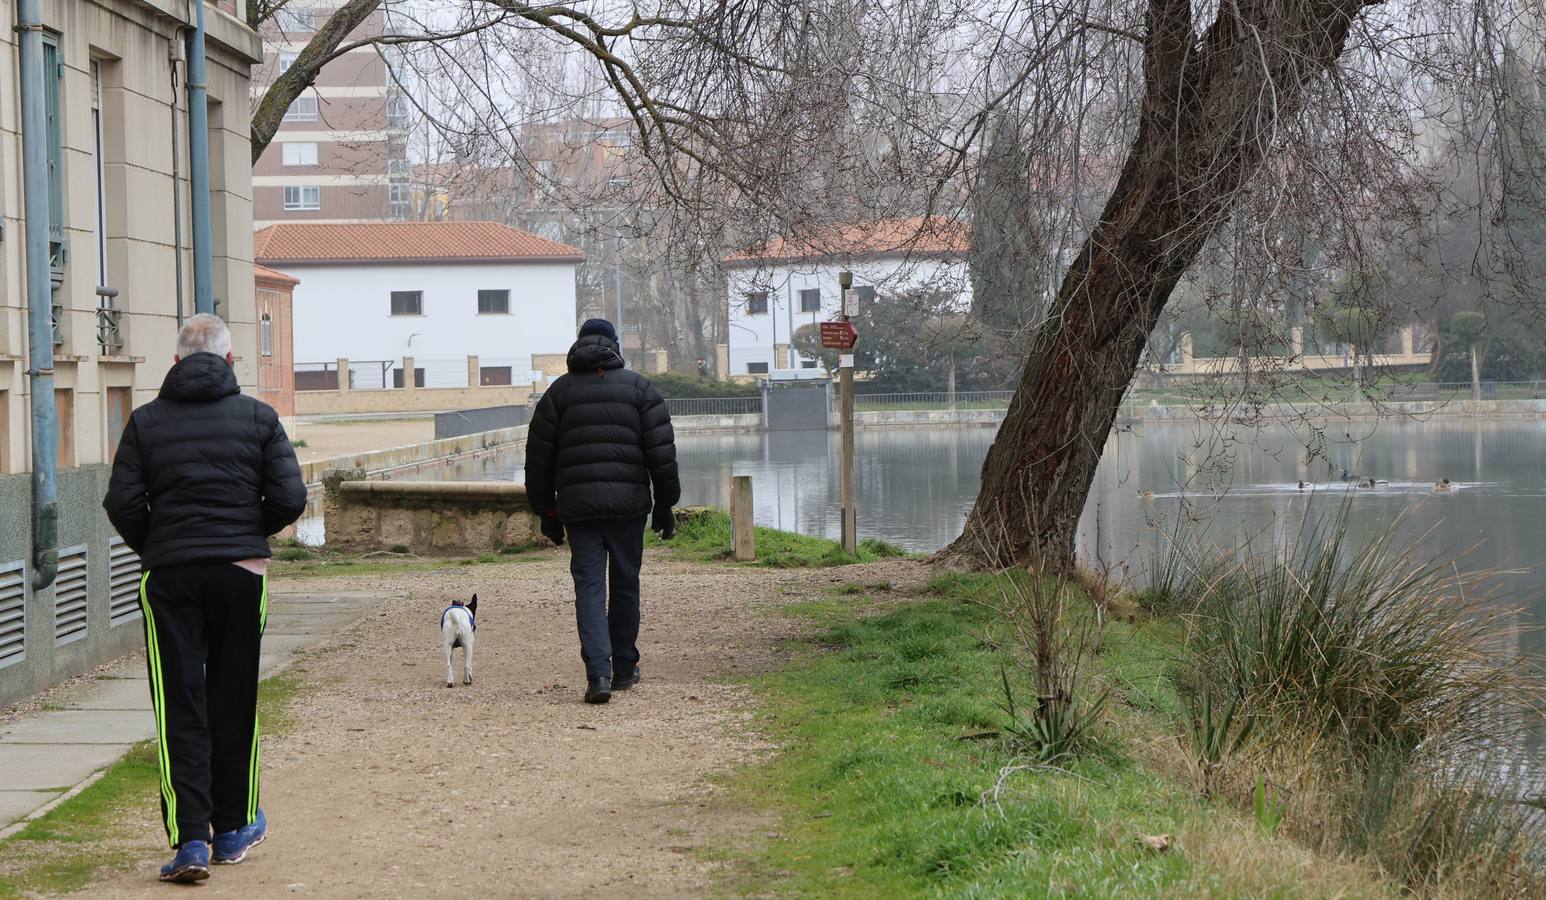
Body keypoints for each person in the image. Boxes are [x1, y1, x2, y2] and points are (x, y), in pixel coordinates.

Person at [103, 314, 307, 883]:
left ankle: (191, 840)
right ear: (230, 361)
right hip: (241, 575)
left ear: (175, 363)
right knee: (234, 696)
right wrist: (247, 535)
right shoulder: (260, 418)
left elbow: (121, 503)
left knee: (180, 703)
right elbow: (290, 496)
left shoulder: (145, 422)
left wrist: (160, 544)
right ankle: (235, 827)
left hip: (171, 576)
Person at [524, 319, 680, 704]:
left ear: (578, 346)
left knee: (589, 588)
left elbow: (538, 460)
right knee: (626, 584)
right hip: (628, 509)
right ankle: (625, 667)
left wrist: (547, 511)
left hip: (579, 510)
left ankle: (599, 674)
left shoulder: (557, 395)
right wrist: (665, 506)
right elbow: (662, 456)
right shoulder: (641, 390)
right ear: (613, 346)